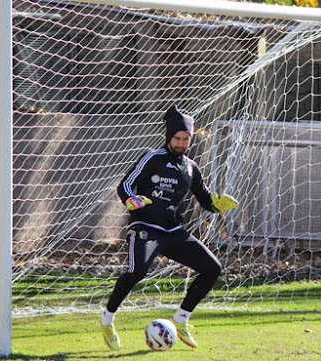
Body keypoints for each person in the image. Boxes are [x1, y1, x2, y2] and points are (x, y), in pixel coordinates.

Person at [100, 105, 239, 351]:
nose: (181, 143)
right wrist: (131, 200)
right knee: (136, 272)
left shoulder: (191, 168)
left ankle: (181, 318)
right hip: (146, 227)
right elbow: (125, 186)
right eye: (177, 138)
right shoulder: (152, 158)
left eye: (186, 139)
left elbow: (206, 200)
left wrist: (218, 206)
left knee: (212, 268)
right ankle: (107, 319)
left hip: (172, 231)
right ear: (169, 136)